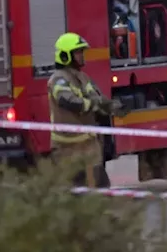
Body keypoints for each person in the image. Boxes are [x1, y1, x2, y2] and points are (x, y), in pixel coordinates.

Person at [48, 32, 120, 187]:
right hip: (67, 151)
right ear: (65, 56)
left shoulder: (83, 77)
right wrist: (90, 105)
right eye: (78, 52)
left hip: (89, 148)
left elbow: (96, 96)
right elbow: (66, 99)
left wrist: (109, 106)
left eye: (82, 52)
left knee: (101, 191)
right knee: (73, 196)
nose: (82, 56)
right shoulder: (58, 79)